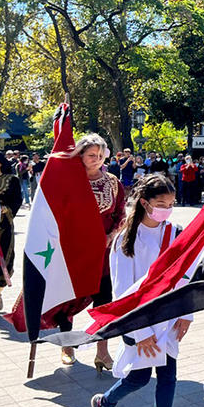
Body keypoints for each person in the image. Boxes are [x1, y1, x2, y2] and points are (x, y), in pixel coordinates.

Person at [90, 174, 192, 407]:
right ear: (145, 203)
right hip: (140, 321)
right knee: (139, 378)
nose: (166, 210)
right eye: (161, 203)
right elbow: (123, 291)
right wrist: (141, 331)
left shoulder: (175, 231)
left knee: (168, 376)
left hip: (169, 318)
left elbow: (184, 276)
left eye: (171, 204)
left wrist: (187, 315)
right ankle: (106, 403)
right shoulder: (127, 238)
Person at [56, 134, 127, 367]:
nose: (96, 160)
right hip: (73, 252)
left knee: (104, 301)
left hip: (103, 253)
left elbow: (121, 215)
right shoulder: (68, 181)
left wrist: (110, 237)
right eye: (90, 155)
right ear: (81, 156)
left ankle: (102, 350)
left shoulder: (114, 183)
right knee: (67, 300)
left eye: (99, 155)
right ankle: (67, 346)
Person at [0, 150, 21, 316]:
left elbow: (17, 201)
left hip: (5, 227)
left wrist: (6, 209)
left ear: (0, 162)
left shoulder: (12, 180)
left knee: (5, 260)